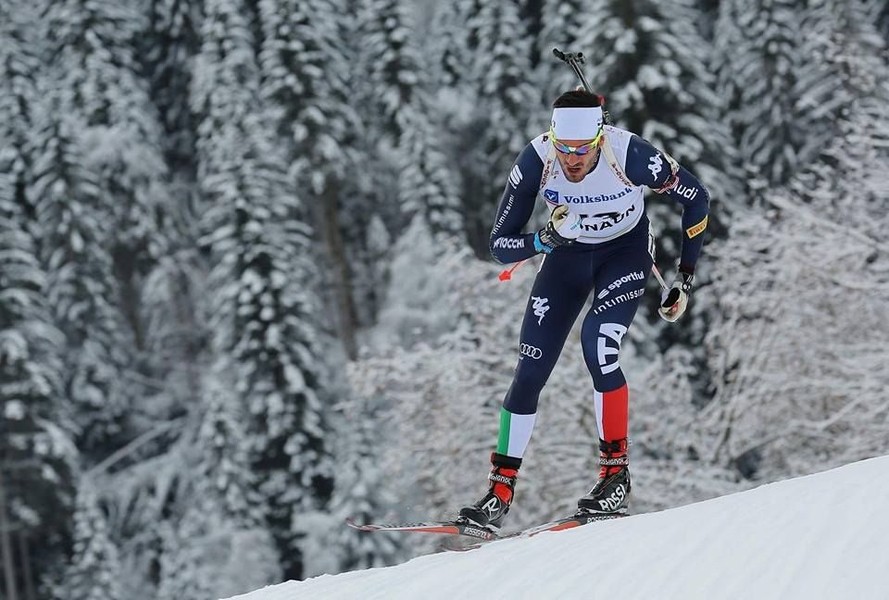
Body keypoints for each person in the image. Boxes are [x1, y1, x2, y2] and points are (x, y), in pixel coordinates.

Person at [458, 89, 710, 529]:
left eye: (582, 150)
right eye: (564, 148)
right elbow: (500, 245)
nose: (572, 160)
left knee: (599, 344)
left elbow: (698, 198)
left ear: (598, 139)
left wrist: (684, 277)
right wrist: (542, 241)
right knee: (530, 367)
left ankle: (615, 477)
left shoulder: (630, 155)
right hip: (567, 257)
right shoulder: (536, 160)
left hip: (625, 255)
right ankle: (499, 490)